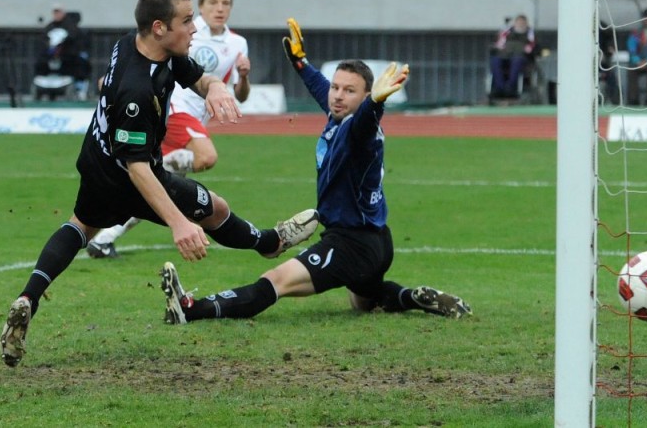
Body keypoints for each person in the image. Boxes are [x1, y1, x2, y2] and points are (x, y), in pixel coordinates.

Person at [0, 0, 319, 368]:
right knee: (215, 208)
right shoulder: (136, 92)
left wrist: (216, 87)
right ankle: (270, 242)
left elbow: (196, 76)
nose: (195, 29)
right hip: (131, 175)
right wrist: (179, 224)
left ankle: (28, 298)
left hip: (97, 161)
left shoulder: (143, 46)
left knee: (82, 225)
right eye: (187, 21)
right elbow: (138, 170)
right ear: (158, 27)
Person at [158, 18, 472, 325]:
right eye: (336, 87)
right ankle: (409, 297)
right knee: (364, 300)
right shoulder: (340, 114)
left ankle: (191, 309)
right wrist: (300, 62)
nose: (337, 95)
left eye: (350, 91)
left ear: (365, 96)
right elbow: (322, 89)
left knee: (276, 280)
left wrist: (375, 105)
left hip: (352, 243)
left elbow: (364, 124)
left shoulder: (361, 130)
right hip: (375, 241)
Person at [87, 0, 253, 258]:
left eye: (225, 3)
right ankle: (162, 170)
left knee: (159, 192)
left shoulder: (238, 43)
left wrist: (244, 77)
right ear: (200, 6)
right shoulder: (184, 29)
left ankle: (104, 238)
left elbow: (241, 95)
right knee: (206, 157)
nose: (219, 8)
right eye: (213, 2)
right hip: (172, 109)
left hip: (195, 117)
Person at [33, 4, 91, 101]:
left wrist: (62, 48)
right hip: (51, 58)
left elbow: (74, 40)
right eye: (55, 12)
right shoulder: (50, 27)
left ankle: (79, 90)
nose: (56, 15)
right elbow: (43, 40)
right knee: (40, 62)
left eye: (58, 12)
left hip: (67, 57)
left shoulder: (71, 26)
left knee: (79, 63)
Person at [489, 14, 537, 100]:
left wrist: (527, 51)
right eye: (518, 22)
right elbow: (499, 43)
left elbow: (532, 45)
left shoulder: (530, 33)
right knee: (495, 60)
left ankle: (511, 87)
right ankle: (500, 87)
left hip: (521, 57)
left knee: (517, 61)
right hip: (505, 55)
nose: (520, 24)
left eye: (522, 22)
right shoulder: (507, 32)